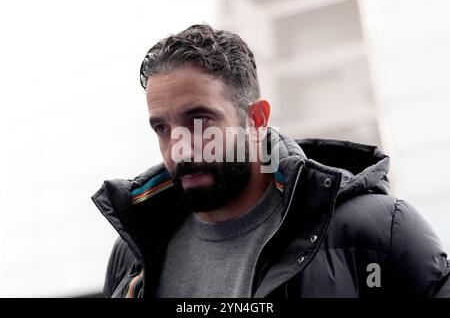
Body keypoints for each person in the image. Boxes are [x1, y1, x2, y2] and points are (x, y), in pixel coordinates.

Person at [91, 24, 450, 298]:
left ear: (257, 120)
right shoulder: (132, 257)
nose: (179, 149)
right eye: (162, 128)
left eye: (199, 121)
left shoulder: (380, 231)